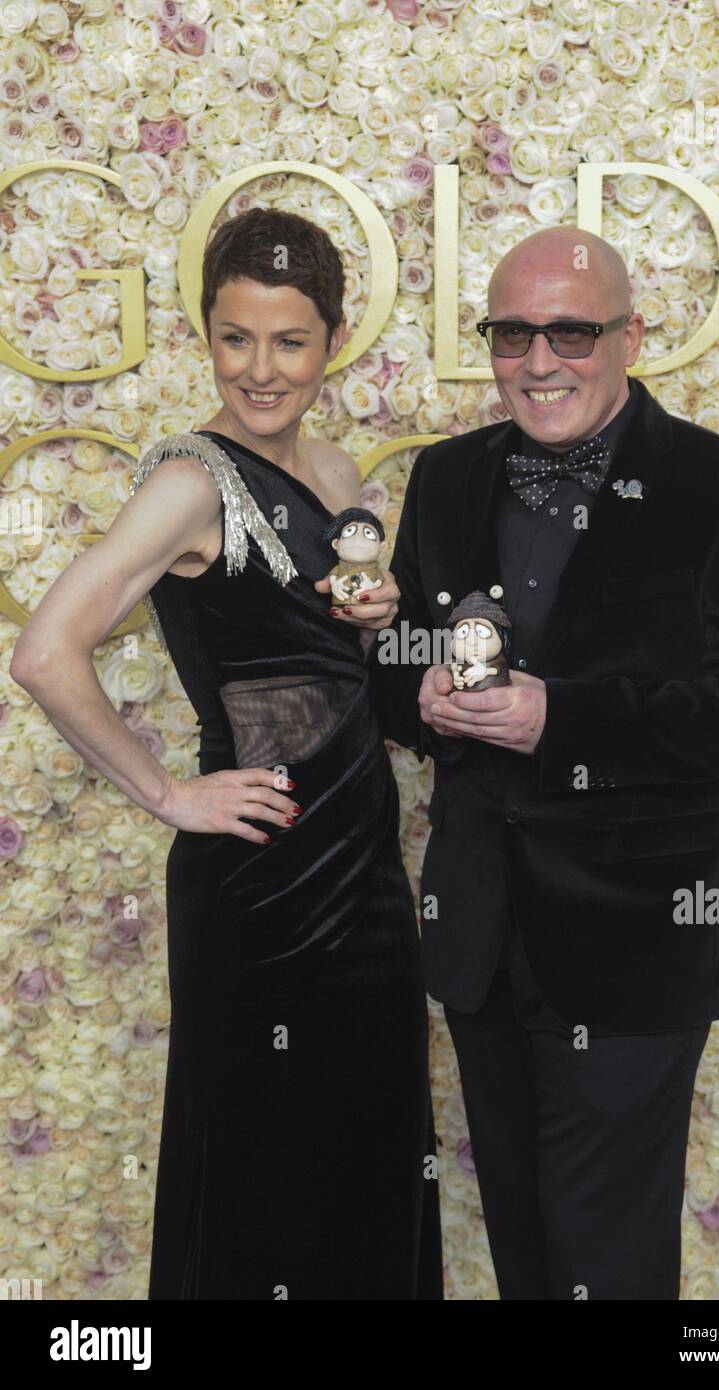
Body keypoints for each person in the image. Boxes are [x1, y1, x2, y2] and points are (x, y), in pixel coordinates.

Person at [368, 226, 719, 1300]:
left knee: (605, 1264)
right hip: (481, 932)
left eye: (571, 330)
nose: (539, 359)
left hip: (635, 944)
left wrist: (559, 719)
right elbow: (397, 666)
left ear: (629, 336)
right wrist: (419, 691)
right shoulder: (445, 478)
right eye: (512, 331)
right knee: (524, 1247)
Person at [10, 207, 442, 1300]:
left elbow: (333, 658)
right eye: (234, 337)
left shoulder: (339, 471)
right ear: (206, 335)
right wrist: (168, 792)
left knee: (361, 1156)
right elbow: (46, 652)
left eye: (288, 340)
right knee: (268, 1162)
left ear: (332, 340)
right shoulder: (191, 481)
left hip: (369, 886)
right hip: (262, 888)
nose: (260, 369)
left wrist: (379, 616)